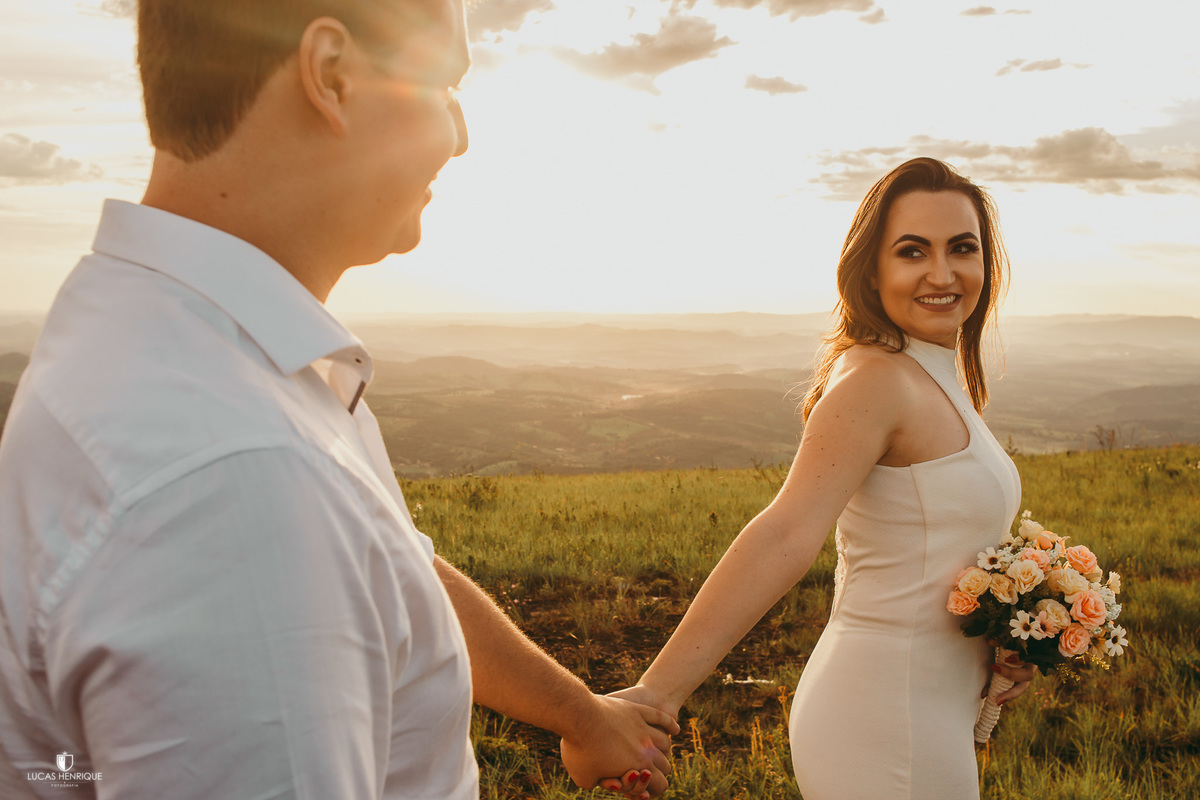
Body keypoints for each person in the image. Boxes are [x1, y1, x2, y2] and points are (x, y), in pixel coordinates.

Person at [0, 1, 674, 798]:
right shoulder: (236, 480)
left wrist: (583, 716)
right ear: (333, 75)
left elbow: (390, 571)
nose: (461, 135)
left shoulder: (192, 345)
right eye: (446, 84)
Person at [612, 157, 1036, 798]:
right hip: (884, 716)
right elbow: (785, 531)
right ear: (872, 269)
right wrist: (656, 696)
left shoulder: (937, 374)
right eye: (912, 251)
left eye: (963, 249)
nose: (942, 274)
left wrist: (1008, 632)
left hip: (927, 708)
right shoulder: (876, 378)